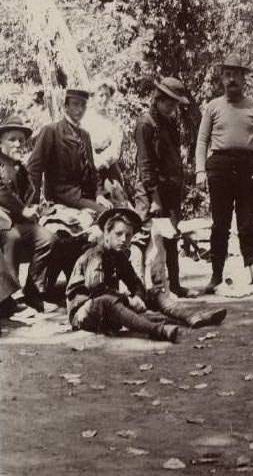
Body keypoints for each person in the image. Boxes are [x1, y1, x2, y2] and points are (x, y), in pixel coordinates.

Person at [195, 55, 253, 293]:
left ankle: (251, 272)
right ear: (222, 78)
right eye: (227, 74)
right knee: (220, 224)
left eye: (236, 75)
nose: (232, 79)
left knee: (247, 223)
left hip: (248, 165)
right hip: (219, 166)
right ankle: (216, 275)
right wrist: (199, 171)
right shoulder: (213, 106)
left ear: (243, 78)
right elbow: (202, 140)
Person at [66, 207, 179, 343]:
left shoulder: (119, 256)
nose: (124, 239)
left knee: (154, 292)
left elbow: (135, 282)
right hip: (83, 314)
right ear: (106, 234)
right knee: (107, 300)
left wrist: (138, 296)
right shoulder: (95, 255)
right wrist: (128, 300)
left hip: (108, 311)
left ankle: (190, 317)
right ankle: (157, 330)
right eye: (118, 234)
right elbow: (97, 290)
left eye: (128, 235)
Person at [134, 77, 191, 298]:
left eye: (175, 104)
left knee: (171, 236)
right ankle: (141, 289)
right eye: (168, 102)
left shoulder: (170, 123)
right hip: (150, 190)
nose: (172, 107)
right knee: (145, 237)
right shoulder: (145, 124)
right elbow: (145, 164)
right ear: (158, 99)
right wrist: (154, 196)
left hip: (171, 189)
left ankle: (174, 285)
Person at [0, 115, 57, 314]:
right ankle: (6, 299)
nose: (17, 143)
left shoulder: (20, 168)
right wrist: (23, 210)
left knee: (47, 238)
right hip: (2, 223)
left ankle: (33, 292)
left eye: (21, 140)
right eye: (12, 139)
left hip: (16, 222)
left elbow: (29, 196)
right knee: (11, 237)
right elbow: (2, 191)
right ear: (1, 141)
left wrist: (39, 208)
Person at [27, 88, 112, 215]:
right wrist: (33, 204)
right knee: (107, 215)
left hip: (86, 195)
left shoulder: (85, 135)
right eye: (75, 104)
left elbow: (92, 171)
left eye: (83, 105)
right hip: (62, 196)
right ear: (65, 107)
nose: (80, 109)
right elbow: (34, 168)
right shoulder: (51, 131)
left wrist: (99, 194)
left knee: (119, 208)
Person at [81, 77, 124, 191]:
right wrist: (96, 162)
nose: (104, 99)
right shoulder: (85, 119)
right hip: (90, 166)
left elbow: (116, 145)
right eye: (101, 95)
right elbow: (84, 146)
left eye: (107, 95)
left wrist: (106, 160)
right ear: (93, 97)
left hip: (110, 166)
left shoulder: (112, 120)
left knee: (118, 196)